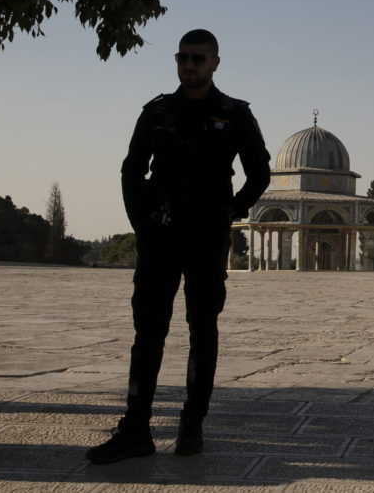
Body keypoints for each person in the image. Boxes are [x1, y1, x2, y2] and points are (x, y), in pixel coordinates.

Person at [87, 29, 270, 464]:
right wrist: (141, 224)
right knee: (148, 332)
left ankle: (192, 425)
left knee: (202, 330)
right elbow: (132, 170)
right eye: (183, 58)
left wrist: (230, 211)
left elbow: (259, 173)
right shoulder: (157, 112)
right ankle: (136, 430)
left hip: (206, 238)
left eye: (198, 59)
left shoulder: (234, 114)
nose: (189, 65)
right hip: (160, 237)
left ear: (215, 63)